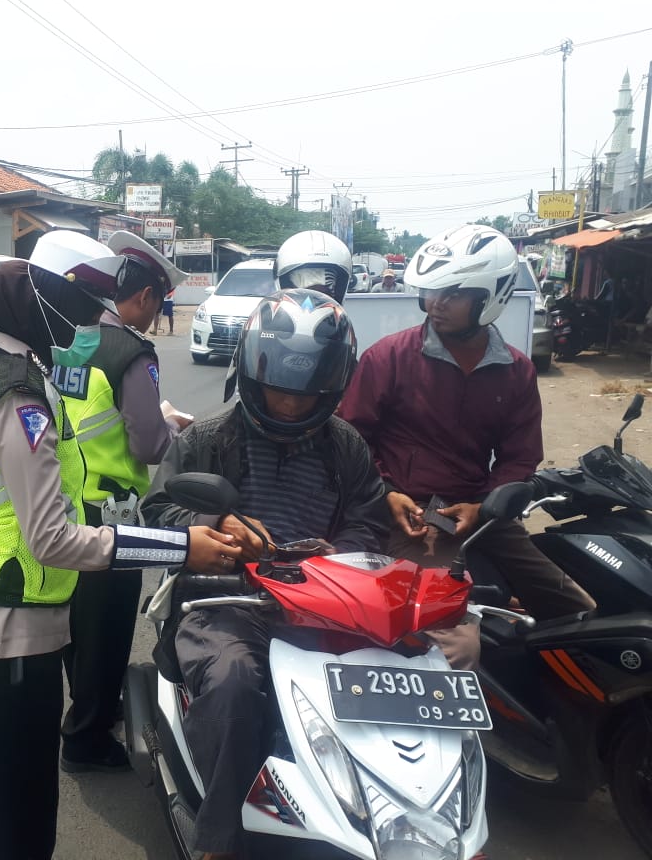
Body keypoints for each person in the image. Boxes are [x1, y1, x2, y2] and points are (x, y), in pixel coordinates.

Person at [0, 231, 238, 860]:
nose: (92, 324)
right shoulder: (21, 402)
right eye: (82, 308)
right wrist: (178, 547)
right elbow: (52, 538)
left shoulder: (25, 378)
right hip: (5, 629)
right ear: (45, 300)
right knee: (22, 813)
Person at [142, 290, 391, 860]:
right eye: (278, 389)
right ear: (252, 374)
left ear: (330, 389)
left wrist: (334, 557)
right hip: (225, 601)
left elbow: (369, 523)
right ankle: (219, 837)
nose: (288, 404)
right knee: (233, 681)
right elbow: (156, 514)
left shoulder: (346, 446)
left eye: (305, 395)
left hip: (323, 603)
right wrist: (215, 525)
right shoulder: (204, 438)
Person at [339, 224, 596, 669]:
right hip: (413, 510)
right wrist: (386, 493)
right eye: (433, 292)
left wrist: (487, 507)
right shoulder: (389, 358)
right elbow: (350, 439)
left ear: (490, 297)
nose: (435, 304)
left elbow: (520, 456)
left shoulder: (515, 371)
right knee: (449, 637)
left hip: (481, 509)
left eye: (452, 294)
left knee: (577, 606)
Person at [57, 229, 193, 773]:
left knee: (75, 628)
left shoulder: (76, 339)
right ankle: (86, 740)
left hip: (66, 505)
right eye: (157, 304)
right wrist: (172, 425)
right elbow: (148, 444)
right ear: (144, 298)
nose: (155, 316)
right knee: (108, 632)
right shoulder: (134, 352)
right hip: (111, 516)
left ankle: (87, 708)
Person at [274, 229, 353, 303]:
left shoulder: (340, 316)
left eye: (325, 292)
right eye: (307, 290)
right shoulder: (275, 315)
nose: (314, 298)